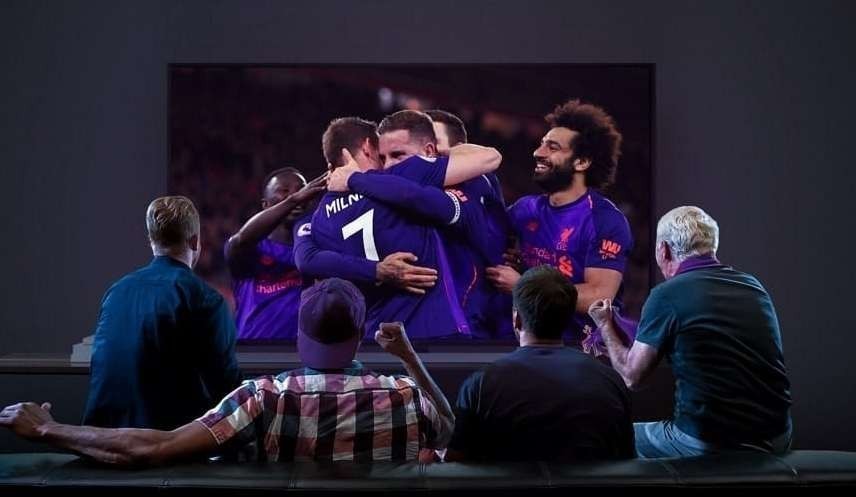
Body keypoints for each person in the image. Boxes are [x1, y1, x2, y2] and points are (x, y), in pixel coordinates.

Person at [0, 278, 454, 464]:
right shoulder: (406, 396)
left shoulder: (262, 398)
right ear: (358, 338)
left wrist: (48, 429)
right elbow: (450, 429)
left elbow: (152, 448)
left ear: (299, 338)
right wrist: (408, 357)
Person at [588, 206, 792, 457]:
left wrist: (604, 324)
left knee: (607, 435)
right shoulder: (754, 286)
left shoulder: (667, 294)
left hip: (709, 441)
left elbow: (632, 377)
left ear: (663, 249)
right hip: (777, 437)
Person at [296, 115, 502, 339]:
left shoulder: (318, 220)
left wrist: (375, 270)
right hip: (435, 330)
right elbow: (489, 157)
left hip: (375, 338)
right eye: (382, 155)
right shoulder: (401, 175)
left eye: (395, 155)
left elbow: (309, 260)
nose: (388, 164)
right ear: (367, 147)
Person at [487, 99, 634, 355]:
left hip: (583, 350)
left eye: (552, 147)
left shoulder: (604, 219)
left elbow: (599, 296)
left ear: (582, 162)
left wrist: (522, 286)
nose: (538, 152)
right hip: (528, 343)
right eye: (542, 143)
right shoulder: (525, 209)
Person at [82, 196, 240, 430]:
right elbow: (227, 393)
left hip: (99, 436)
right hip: (162, 440)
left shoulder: (115, 291)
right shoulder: (205, 299)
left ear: (151, 241)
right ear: (194, 241)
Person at [445, 265, 634, 461]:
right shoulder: (610, 381)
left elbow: (456, 461)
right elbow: (627, 459)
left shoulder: (481, 384)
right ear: (567, 317)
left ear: (517, 319)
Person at [224, 167, 326, 340]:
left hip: (305, 352)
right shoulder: (252, 249)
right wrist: (293, 200)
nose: (297, 195)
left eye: (301, 190)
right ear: (265, 205)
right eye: (284, 191)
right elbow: (238, 242)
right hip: (254, 351)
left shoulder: (317, 248)